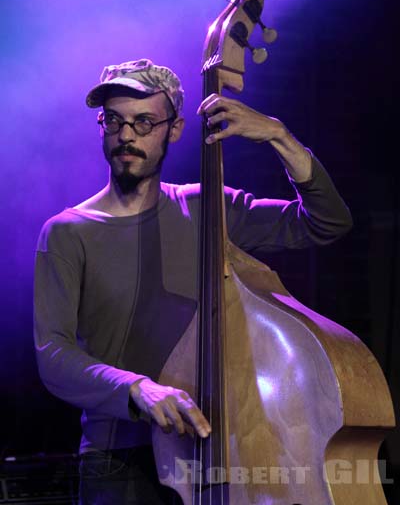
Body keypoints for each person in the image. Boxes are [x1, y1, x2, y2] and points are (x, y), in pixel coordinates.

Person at [34, 58, 353, 504]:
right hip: (120, 459)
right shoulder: (68, 232)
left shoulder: (204, 208)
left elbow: (326, 222)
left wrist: (280, 137)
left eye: (144, 122)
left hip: (220, 449)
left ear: (175, 128)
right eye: (114, 121)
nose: (127, 135)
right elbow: (52, 354)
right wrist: (137, 388)